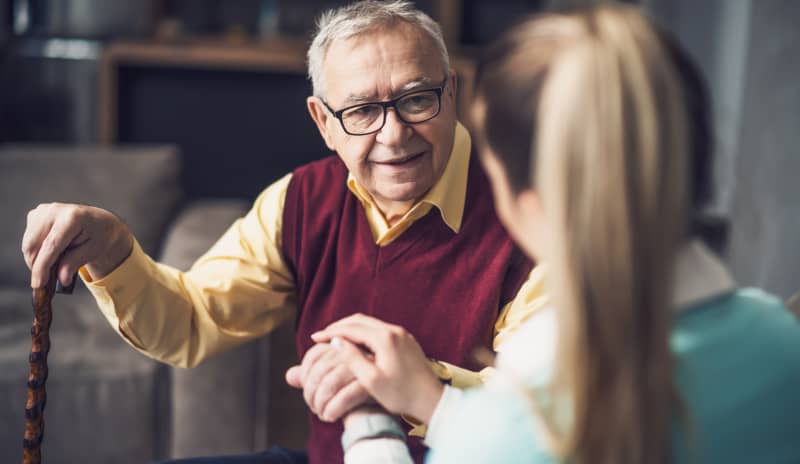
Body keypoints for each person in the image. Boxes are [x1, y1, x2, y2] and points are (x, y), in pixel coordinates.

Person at [20, 2, 547, 463]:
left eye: (415, 100)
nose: (393, 134)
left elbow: (545, 430)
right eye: (362, 111)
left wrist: (419, 384)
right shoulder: (299, 202)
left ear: (452, 91)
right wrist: (114, 250)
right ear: (323, 122)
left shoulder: (530, 217)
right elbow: (191, 321)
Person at [313, 5, 800, 464]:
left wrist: (370, 427)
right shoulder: (784, 344)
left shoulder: (504, 433)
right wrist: (436, 405)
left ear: (529, 197)